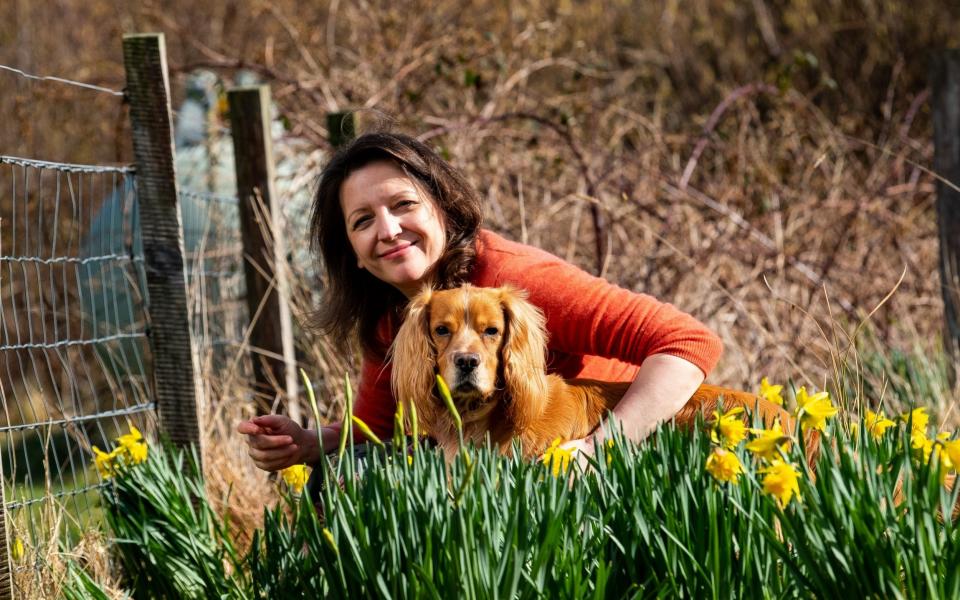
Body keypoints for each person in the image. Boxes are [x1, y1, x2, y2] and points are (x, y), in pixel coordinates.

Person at [237, 131, 722, 473]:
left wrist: (599, 450)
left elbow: (689, 341)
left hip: (612, 447)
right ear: (353, 254)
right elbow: (379, 428)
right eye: (362, 221)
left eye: (404, 205)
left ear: (444, 210)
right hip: (512, 456)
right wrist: (306, 443)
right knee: (349, 474)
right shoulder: (397, 315)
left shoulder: (518, 281)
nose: (387, 230)